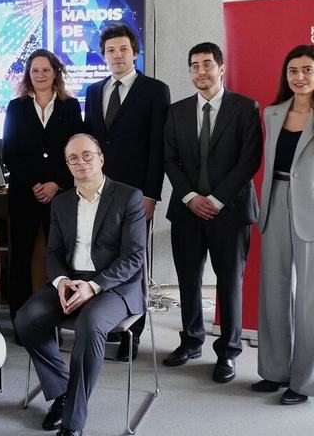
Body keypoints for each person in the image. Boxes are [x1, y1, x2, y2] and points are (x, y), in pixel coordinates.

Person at [14, 133, 146, 436]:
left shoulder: (129, 197)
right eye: (73, 158)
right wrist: (61, 281)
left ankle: (73, 422)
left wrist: (94, 286)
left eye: (87, 154)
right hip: (72, 280)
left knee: (89, 325)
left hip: (114, 285)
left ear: (101, 158)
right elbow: (54, 254)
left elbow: (134, 257)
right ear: (67, 165)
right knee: (26, 320)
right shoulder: (61, 203)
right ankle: (62, 390)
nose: (81, 161)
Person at [163, 42, 261, 382]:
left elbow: (249, 159)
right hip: (187, 210)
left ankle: (229, 352)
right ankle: (191, 341)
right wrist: (190, 197)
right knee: (188, 281)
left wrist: (216, 199)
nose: (200, 71)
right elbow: (169, 159)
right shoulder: (176, 111)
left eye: (207, 64)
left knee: (229, 283)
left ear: (221, 67)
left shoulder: (245, 108)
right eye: (194, 66)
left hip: (230, 212)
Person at [83, 23, 169, 360]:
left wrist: (151, 193)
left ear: (135, 52)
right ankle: (105, 325)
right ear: (103, 55)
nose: (117, 55)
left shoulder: (154, 90)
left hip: (136, 193)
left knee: (132, 259)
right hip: (99, 191)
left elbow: (157, 147)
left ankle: (133, 333)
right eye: (110, 50)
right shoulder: (93, 90)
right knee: (100, 257)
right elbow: (90, 143)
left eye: (123, 49)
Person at [252, 44, 314, 406]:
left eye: (307, 70)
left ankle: (303, 381)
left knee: (308, 300)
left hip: (311, 209)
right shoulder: (273, 112)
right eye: (293, 71)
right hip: (275, 202)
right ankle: (274, 370)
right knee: (273, 291)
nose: (299, 77)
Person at [3, 49, 83, 323]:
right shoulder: (16, 106)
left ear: (55, 73)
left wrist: (55, 183)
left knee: (60, 257)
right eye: (34, 70)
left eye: (45, 70)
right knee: (21, 256)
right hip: (24, 193)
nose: (40, 75)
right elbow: (10, 152)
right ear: (28, 74)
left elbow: (77, 150)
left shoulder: (70, 106)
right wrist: (35, 184)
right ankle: (21, 319)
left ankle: (58, 317)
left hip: (60, 194)